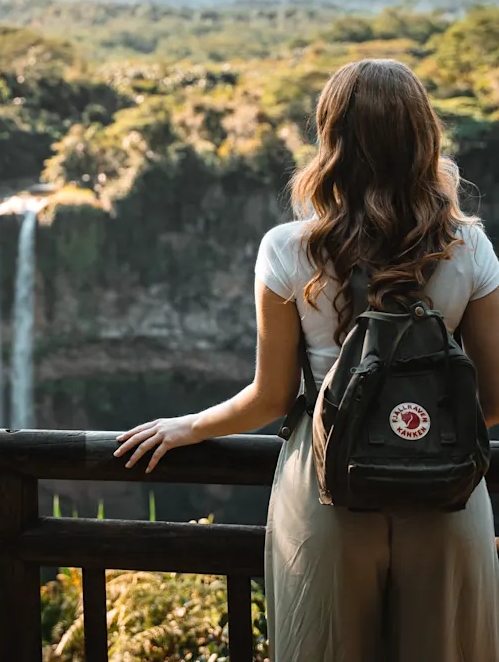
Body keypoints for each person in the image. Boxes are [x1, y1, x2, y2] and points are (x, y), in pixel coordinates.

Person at [114, 58, 499, 662]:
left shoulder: (288, 249)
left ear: (331, 137)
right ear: (423, 135)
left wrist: (186, 426)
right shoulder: (467, 244)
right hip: (445, 492)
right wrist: (414, 423)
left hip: (328, 488)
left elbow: (270, 400)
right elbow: (494, 403)